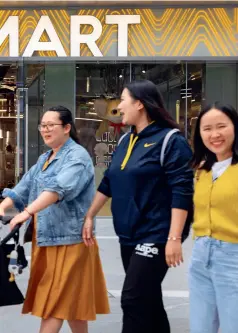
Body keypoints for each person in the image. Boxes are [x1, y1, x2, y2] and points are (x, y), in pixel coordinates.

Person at [82, 80, 194, 333]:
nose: (119, 106)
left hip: (156, 233)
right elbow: (109, 182)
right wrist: (90, 216)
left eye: (123, 99)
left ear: (140, 104)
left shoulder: (170, 140)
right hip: (129, 233)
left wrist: (174, 238)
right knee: (149, 300)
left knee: (132, 299)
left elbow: (182, 190)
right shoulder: (125, 141)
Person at [0, 106, 110, 333]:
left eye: (52, 125)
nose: (46, 130)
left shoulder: (77, 157)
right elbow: (24, 186)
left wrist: (27, 212)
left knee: (55, 305)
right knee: (73, 306)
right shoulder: (45, 158)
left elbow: (58, 189)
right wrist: (4, 206)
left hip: (71, 241)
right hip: (47, 240)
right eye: (43, 125)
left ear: (67, 128)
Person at [189, 102, 238, 333]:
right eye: (207, 128)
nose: (214, 134)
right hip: (201, 255)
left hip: (233, 256)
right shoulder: (202, 171)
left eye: (221, 126)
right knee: (201, 327)